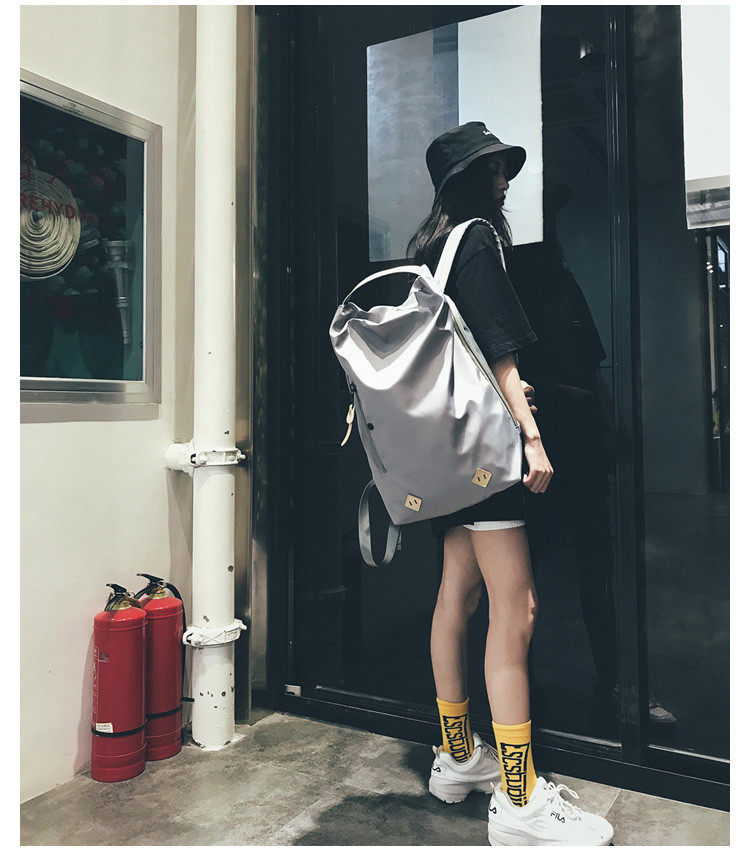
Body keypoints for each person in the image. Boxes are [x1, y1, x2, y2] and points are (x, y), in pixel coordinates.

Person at [407, 121, 614, 846]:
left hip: (441, 457)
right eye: (493, 170)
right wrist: (531, 437)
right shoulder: (477, 241)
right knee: (516, 609)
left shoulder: (428, 250)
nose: (503, 181)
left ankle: (456, 758)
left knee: (454, 600)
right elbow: (500, 352)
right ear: (470, 182)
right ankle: (520, 802)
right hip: (485, 458)